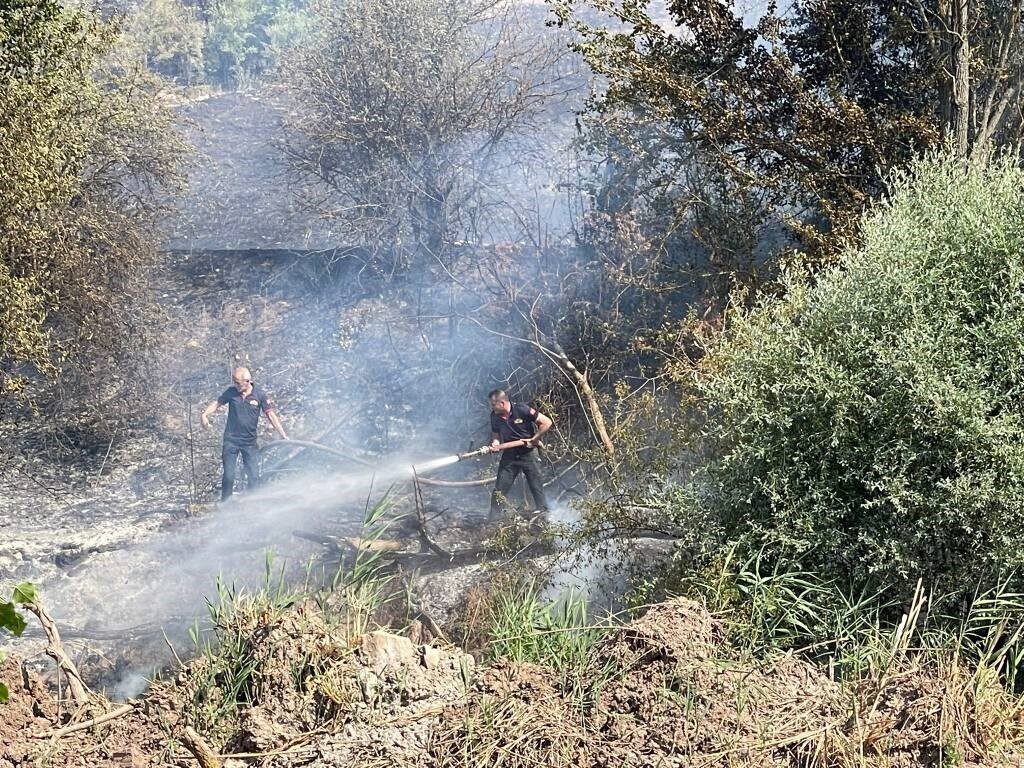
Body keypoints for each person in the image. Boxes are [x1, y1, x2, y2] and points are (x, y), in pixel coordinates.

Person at [201, 366, 288, 501]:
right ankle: (225, 505)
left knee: (253, 475)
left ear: (247, 381)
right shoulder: (231, 392)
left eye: (238, 383)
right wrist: (205, 414)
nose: (235, 386)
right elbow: (217, 404)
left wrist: (283, 434)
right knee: (229, 475)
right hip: (231, 441)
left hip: (249, 442)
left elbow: (270, 415)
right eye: (234, 382)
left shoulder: (259, 395)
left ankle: (253, 503)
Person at [488, 388, 552, 521]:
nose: (491, 407)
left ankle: (544, 519)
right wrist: (495, 444)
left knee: (536, 486)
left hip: (528, 453)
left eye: (493, 404)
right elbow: (495, 436)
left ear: (502, 403)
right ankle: (493, 521)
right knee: (499, 489)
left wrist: (535, 439)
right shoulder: (494, 416)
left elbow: (547, 422)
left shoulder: (522, 409)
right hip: (510, 455)